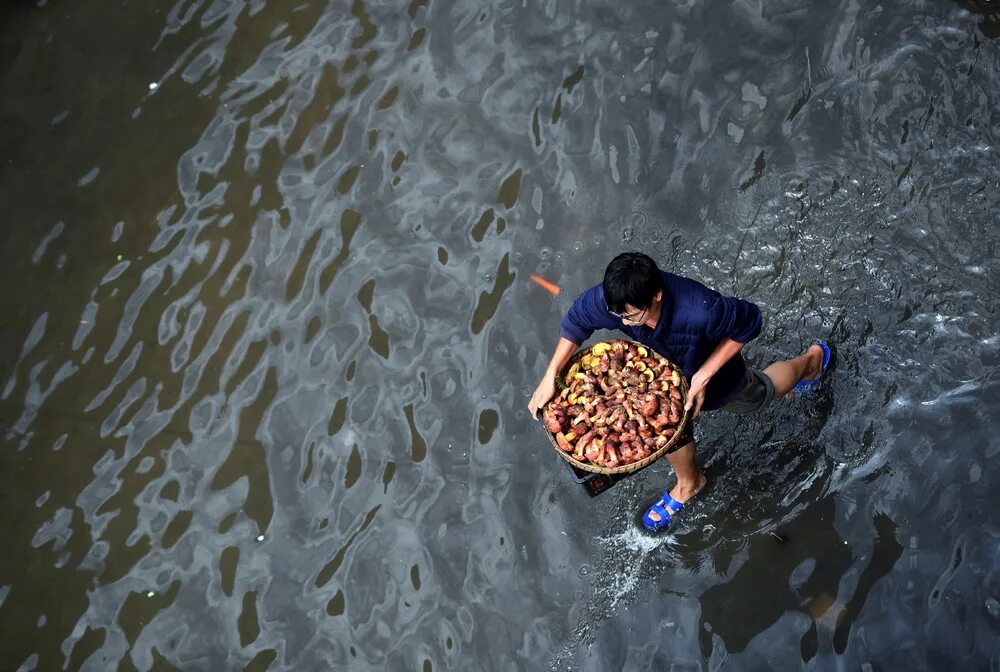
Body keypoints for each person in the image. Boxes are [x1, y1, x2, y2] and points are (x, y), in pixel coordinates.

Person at [527, 252, 831, 532]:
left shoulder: (701, 309)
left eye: (631, 317)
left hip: (714, 372)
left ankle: (809, 362)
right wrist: (550, 375)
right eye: (617, 315)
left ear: (657, 295)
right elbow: (577, 322)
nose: (622, 322)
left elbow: (750, 322)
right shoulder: (619, 300)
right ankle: (689, 484)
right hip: (661, 374)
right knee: (672, 432)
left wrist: (703, 375)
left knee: (761, 393)